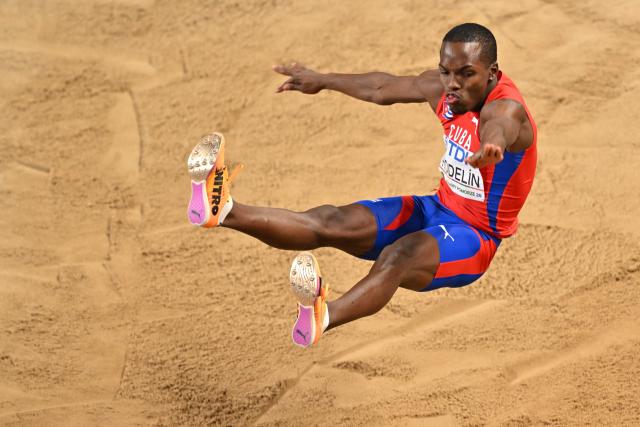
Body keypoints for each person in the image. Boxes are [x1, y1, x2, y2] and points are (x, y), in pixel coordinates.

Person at [186, 23, 537, 348]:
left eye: (466, 74)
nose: (452, 84)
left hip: (475, 237)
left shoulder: (507, 109)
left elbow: (499, 126)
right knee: (332, 221)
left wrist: (492, 147)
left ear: (492, 74)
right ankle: (224, 210)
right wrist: (322, 80)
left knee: (398, 256)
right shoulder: (446, 91)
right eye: (446, 72)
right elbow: (380, 88)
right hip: (436, 208)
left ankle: (324, 316)